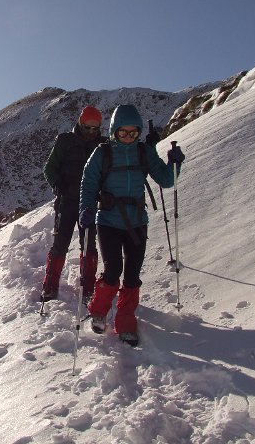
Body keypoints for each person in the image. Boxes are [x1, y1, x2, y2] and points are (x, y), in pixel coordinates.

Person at [78, 104, 185, 346]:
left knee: (133, 275)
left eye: (133, 133)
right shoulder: (102, 154)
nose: (128, 138)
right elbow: (88, 182)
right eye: (122, 133)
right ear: (114, 131)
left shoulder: (144, 153)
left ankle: (125, 321)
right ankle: (98, 310)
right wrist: (86, 208)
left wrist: (175, 164)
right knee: (113, 269)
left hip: (137, 221)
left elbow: (166, 180)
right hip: (108, 221)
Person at [41, 106, 108, 303]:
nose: (91, 131)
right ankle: (50, 285)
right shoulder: (65, 141)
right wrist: (57, 183)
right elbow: (49, 168)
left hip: (90, 202)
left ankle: (88, 287)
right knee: (60, 243)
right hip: (67, 200)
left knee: (88, 245)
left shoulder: (103, 145)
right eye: (88, 127)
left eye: (95, 128)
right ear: (81, 122)